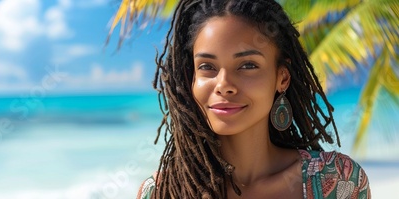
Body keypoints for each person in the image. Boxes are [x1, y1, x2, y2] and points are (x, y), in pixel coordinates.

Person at [136, 0, 371, 198]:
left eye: (248, 65)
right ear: (191, 79)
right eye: (207, 66)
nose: (224, 85)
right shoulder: (163, 192)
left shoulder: (339, 181)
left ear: (282, 78)